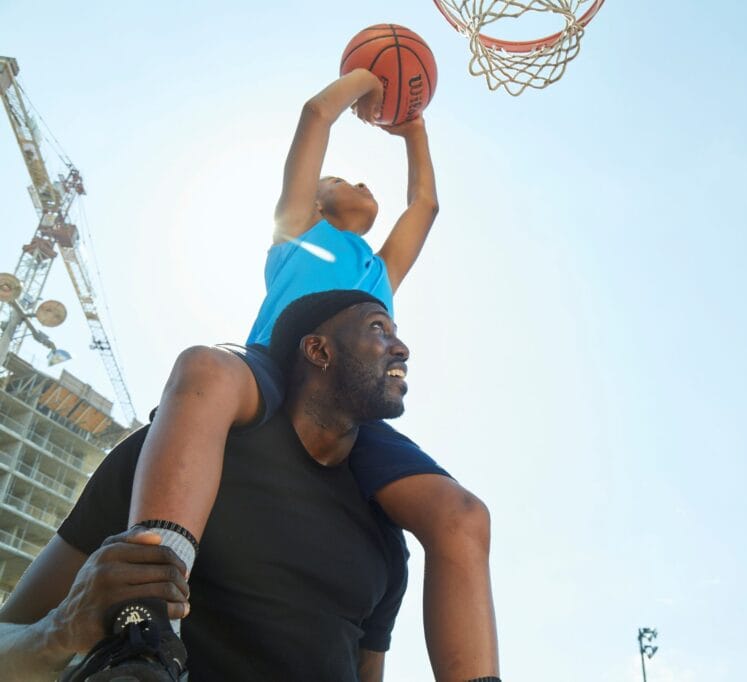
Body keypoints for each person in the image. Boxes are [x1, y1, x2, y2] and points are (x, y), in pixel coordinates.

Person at [121, 67, 497, 680]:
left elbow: (425, 204)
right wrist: (372, 76)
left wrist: (414, 125)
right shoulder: (297, 232)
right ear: (318, 198)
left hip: (347, 406)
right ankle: (143, 618)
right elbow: (316, 114)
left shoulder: (378, 272)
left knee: (462, 514)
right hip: (273, 373)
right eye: (343, 178)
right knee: (206, 369)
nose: (360, 181)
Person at [0, 291, 415, 681]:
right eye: (379, 328)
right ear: (318, 351)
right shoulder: (170, 459)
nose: (402, 348)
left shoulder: (387, 539)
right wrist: (57, 633)